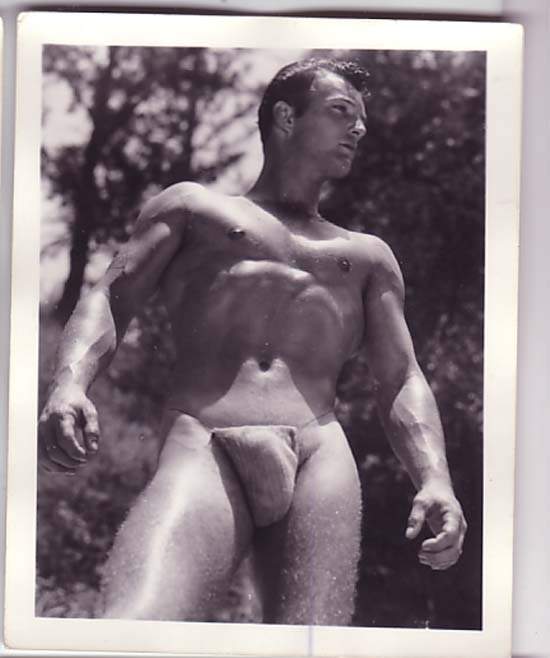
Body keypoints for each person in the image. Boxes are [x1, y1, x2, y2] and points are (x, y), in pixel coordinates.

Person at [38, 59, 467, 625]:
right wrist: (69, 385)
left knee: (311, 645)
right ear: (286, 117)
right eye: (342, 111)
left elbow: (401, 376)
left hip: (318, 452)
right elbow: (110, 298)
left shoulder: (367, 256)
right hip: (205, 440)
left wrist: (435, 477)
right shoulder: (193, 208)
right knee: (136, 625)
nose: (359, 128)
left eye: (362, 119)